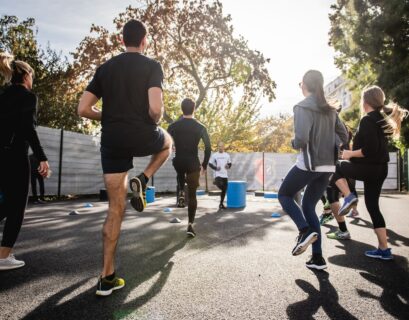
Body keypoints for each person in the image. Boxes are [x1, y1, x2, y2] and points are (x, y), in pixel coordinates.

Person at [77, 19, 172, 296]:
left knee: (115, 209)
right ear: (145, 42)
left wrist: (107, 115)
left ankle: (107, 277)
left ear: (122, 41)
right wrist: (155, 118)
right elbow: (155, 109)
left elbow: (83, 108)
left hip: (113, 141)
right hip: (142, 134)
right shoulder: (152, 66)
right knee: (167, 143)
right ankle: (143, 178)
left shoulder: (105, 69)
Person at [277, 70, 348, 270]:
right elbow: (344, 136)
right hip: (328, 167)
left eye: (300, 83)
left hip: (309, 164)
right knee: (308, 206)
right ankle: (318, 258)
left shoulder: (301, 107)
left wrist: (292, 142)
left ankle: (304, 230)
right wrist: (330, 146)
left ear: (305, 85)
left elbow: (301, 139)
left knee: (284, 194)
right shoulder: (331, 110)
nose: (300, 86)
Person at [333, 85, 408, 260]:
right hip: (380, 168)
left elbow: (369, 149)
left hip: (370, 168)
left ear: (365, 101)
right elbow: (373, 147)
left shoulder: (367, 119)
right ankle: (384, 249)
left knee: (335, 167)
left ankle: (349, 196)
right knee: (373, 207)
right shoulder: (380, 119)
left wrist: (350, 153)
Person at [0, 52, 50, 270]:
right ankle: (3, 256)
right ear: (27, 75)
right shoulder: (28, 97)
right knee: (17, 206)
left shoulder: (3, 95)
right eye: (32, 75)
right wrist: (42, 158)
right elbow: (28, 129)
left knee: (5, 203)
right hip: (15, 156)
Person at [167, 98, 211, 237]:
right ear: (194, 109)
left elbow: (166, 143)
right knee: (192, 195)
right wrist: (204, 165)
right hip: (193, 163)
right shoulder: (201, 127)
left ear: (181, 109)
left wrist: (172, 152)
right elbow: (208, 148)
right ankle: (190, 225)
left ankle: (180, 190)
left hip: (179, 160)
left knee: (180, 170)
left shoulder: (173, 126)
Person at [209, 142, 232, 210]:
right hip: (217, 174)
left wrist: (228, 166)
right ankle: (216, 182)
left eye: (221, 146)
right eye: (219, 146)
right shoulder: (214, 155)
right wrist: (215, 168)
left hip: (225, 175)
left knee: (224, 190)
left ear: (223, 147)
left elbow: (230, 164)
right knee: (220, 184)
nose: (220, 147)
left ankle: (221, 204)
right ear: (218, 147)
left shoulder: (227, 155)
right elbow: (210, 164)